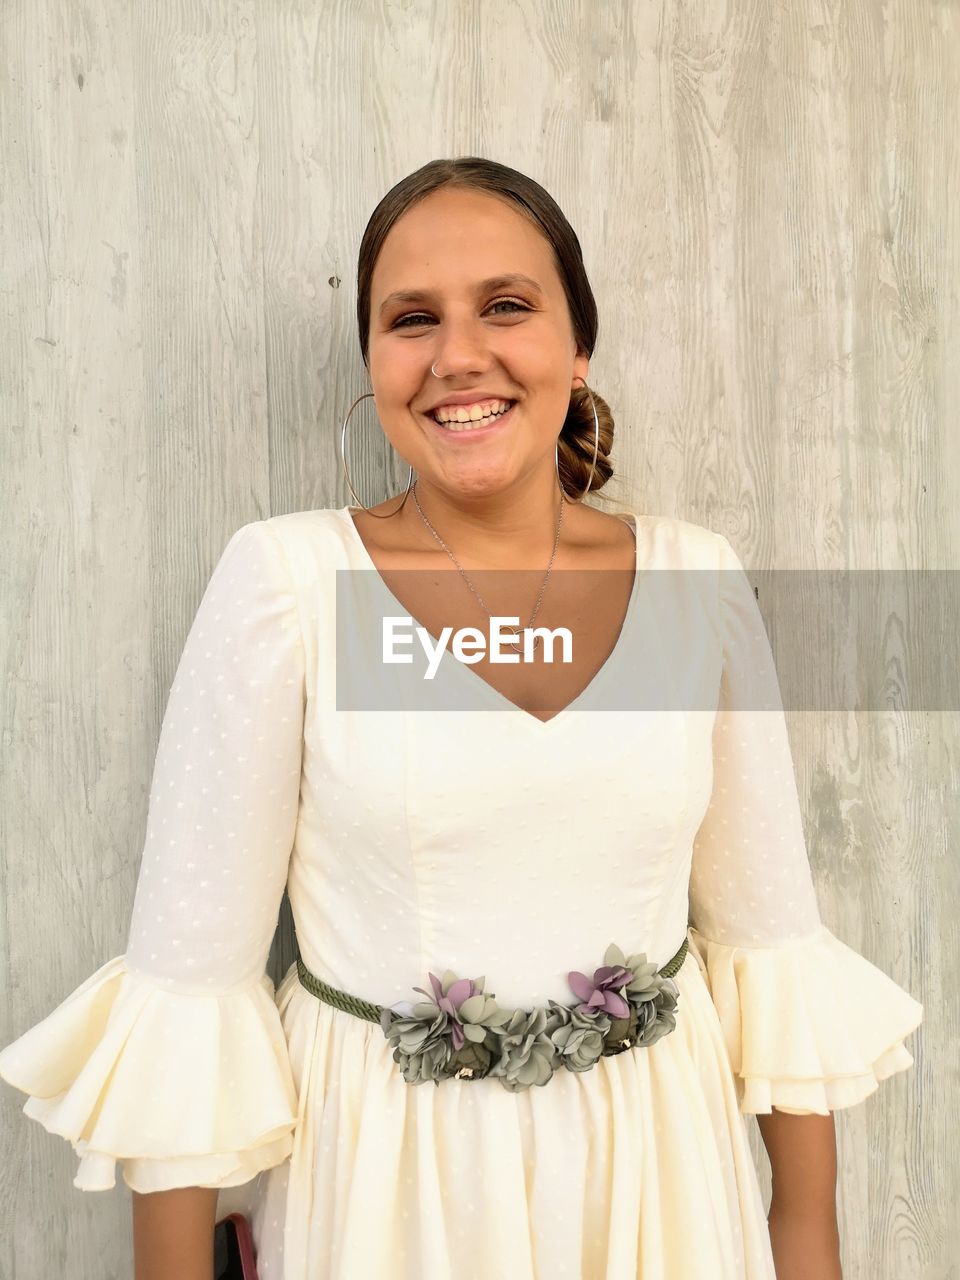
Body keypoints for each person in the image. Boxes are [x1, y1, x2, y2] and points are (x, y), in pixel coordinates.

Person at [0, 157, 923, 1280]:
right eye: (411, 319)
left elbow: (769, 942)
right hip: (387, 1193)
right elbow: (190, 985)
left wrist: (806, 1239)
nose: (458, 354)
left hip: (661, 1187)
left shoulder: (698, 578)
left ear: (578, 344)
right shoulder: (289, 579)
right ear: (374, 362)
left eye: (506, 305)